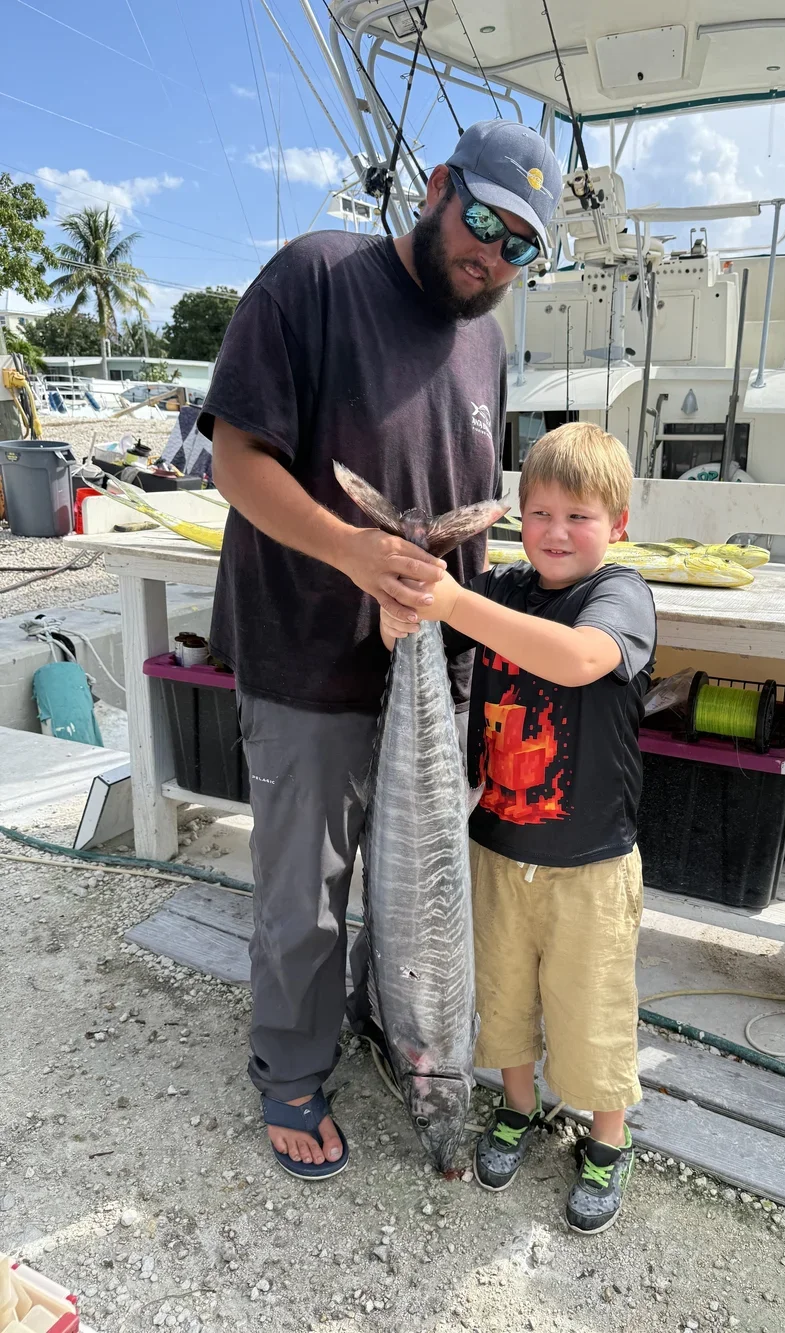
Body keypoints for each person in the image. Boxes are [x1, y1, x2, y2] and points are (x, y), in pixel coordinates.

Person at [196, 120, 561, 1180]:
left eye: (519, 247)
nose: (491, 255)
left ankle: (374, 1018)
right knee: (304, 885)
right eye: (483, 221)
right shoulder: (315, 275)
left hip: (424, 666)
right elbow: (233, 459)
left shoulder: (486, 336)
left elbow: (469, 515)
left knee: (412, 884)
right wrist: (354, 549)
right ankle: (292, 1071)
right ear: (439, 188)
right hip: (306, 649)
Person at [380, 422, 657, 1233]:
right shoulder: (501, 589)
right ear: (516, 520)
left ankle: (608, 1142)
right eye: (539, 513)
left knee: (590, 1008)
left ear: (619, 525)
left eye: (580, 515)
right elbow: (424, 619)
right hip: (494, 852)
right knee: (499, 1000)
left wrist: (453, 599)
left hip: (592, 867)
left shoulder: (620, 596)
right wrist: (403, 614)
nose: (558, 532)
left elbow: (577, 659)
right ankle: (516, 1107)